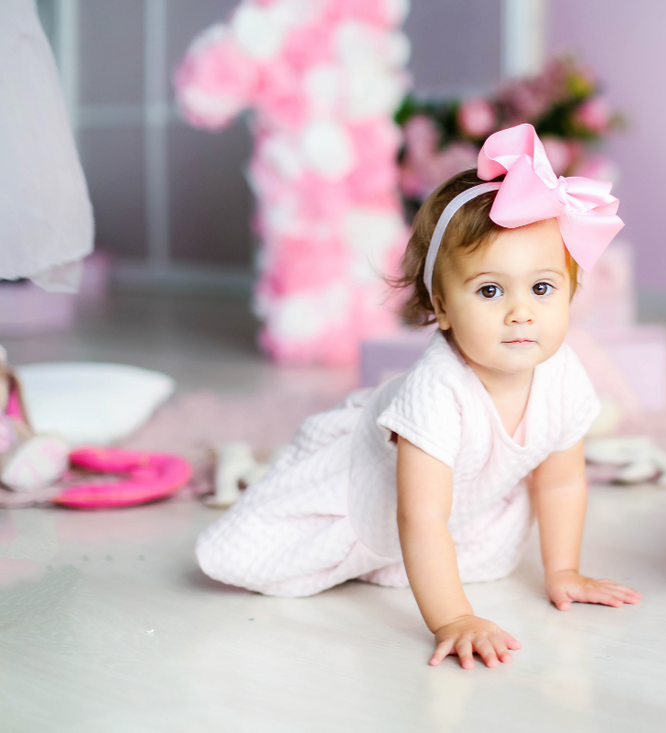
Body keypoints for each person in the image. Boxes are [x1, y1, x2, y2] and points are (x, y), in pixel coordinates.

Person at [196, 123, 641, 670]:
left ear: (571, 292)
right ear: (443, 306)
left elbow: (562, 479)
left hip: (468, 504)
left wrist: (563, 570)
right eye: (490, 290)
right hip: (367, 496)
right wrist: (453, 617)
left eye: (542, 287)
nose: (520, 311)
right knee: (259, 558)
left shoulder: (562, 373)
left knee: (489, 539)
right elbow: (421, 517)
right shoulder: (439, 389)